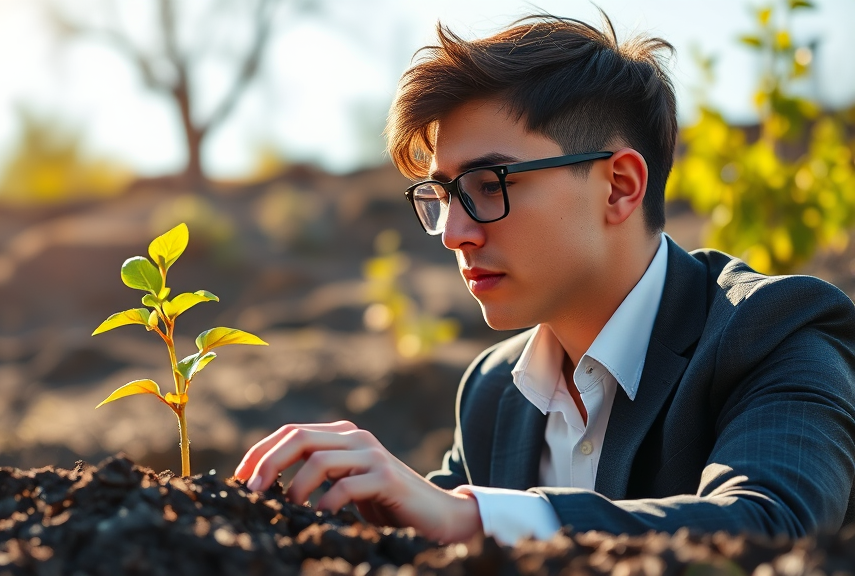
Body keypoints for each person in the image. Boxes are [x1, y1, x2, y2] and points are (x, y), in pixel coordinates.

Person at [233, 12, 855, 545]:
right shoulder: (493, 391)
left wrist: (472, 521)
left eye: (489, 185)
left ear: (620, 186)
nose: (453, 233)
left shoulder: (774, 332)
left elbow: (774, 527)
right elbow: (425, 527)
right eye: (442, 195)